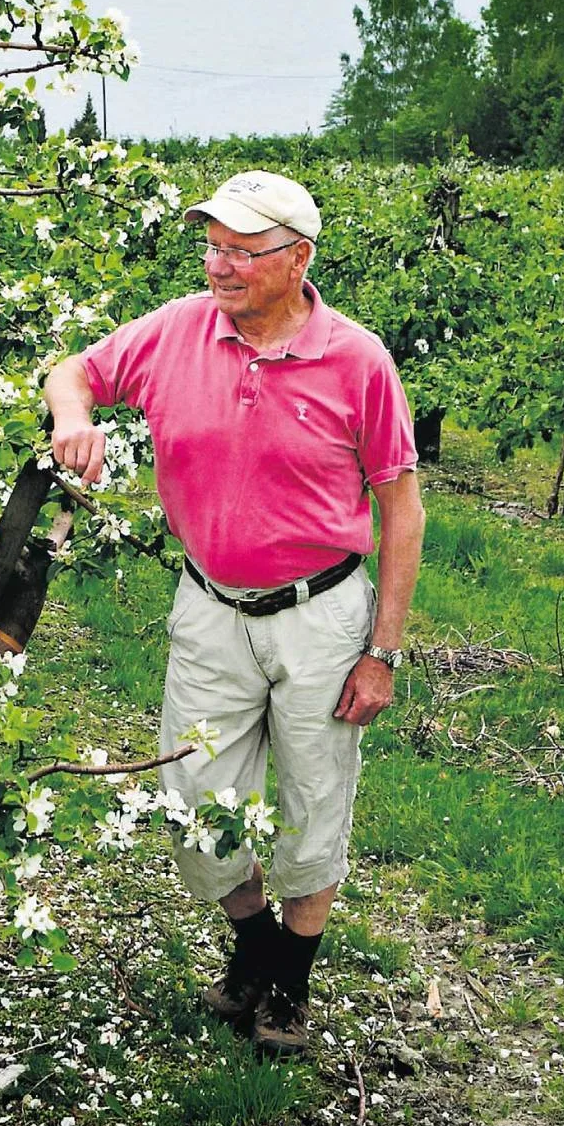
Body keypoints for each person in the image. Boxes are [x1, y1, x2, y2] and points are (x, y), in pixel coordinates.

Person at [45, 169, 425, 1056]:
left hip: (321, 614)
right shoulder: (178, 329)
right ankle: (255, 946)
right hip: (210, 604)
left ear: (298, 260)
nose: (219, 266)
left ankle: (287, 984)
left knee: (314, 798)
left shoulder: (357, 359)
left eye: (242, 251)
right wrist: (75, 418)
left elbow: (401, 508)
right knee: (194, 799)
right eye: (212, 246)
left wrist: (385, 652)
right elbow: (76, 371)